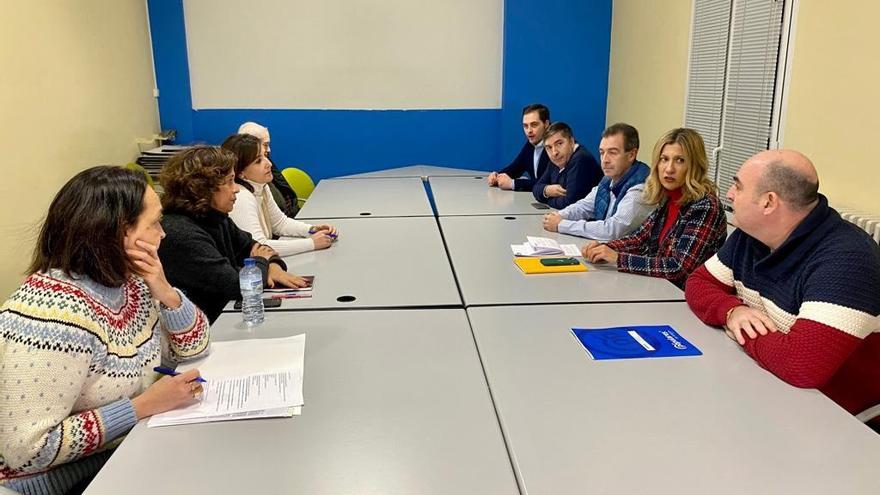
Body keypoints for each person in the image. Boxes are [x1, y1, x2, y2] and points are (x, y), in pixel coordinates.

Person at [0, 166, 210, 494]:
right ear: (118, 234)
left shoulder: (131, 284)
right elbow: (27, 451)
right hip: (55, 484)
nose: (163, 234)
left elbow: (193, 347)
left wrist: (166, 291)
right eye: (154, 223)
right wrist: (142, 406)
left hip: (124, 455)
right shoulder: (52, 319)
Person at [685, 150, 880, 429]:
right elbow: (699, 283)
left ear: (768, 202)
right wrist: (733, 311)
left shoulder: (847, 258)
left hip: (842, 418)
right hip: (772, 387)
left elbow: (800, 365)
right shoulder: (750, 236)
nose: (729, 193)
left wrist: (741, 332)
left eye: (737, 185)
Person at [158, 146, 309, 323]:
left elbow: (255, 247)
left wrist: (272, 266)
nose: (236, 188)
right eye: (229, 181)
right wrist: (261, 263)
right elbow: (235, 285)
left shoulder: (215, 216)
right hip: (208, 327)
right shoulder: (180, 233)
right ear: (204, 188)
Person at [582, 128, 727, 287]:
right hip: (657, 288)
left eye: (679, 160)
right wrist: (605, 247)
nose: (669, 168)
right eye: (664, 159)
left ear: (694, 165)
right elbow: (639, 239)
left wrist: (618, 258)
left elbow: (680, 268)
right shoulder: (668, 198)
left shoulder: (705, 206)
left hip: (682, 299)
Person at [222, 134, 338, 257]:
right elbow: (258, 247)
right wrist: (311, 243)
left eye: (265, 156)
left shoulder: (262, 186)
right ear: (241, 173)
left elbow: (280, 224)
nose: (269, 164)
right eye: (258, 161)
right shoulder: (241, 197)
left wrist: (311, 229)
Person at [543, 123, 654, 240]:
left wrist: (561, 225)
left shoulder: (641, 188)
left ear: (631, 155)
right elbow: (584, 206)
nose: (605, 160)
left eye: (612, 152)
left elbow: (613, 230)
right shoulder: (608, 180)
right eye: (602, 153)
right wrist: (559, 215)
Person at [532, 122, 602, 209]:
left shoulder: (581, 159)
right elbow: (536, 188)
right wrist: (547, 190)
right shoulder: (557, 160)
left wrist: (546, 200)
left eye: (559, 144)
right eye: (549, 147)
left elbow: (570, 203)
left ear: (571, 142)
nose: (554, 152)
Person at [238, 121, 300, 217]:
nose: (269, 164)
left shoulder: (264, 186)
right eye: (266, 145)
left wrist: (310, 229)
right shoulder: (244, 197)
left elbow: (280, 222)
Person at [487, 103, 551, 191]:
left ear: (546, 124)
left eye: (534, 125)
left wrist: (513, 184)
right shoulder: (531, 144)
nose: (529, 130)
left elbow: (550, 183)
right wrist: (497, 176)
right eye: (525, 126)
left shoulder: (555, 146)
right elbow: (515, 168)